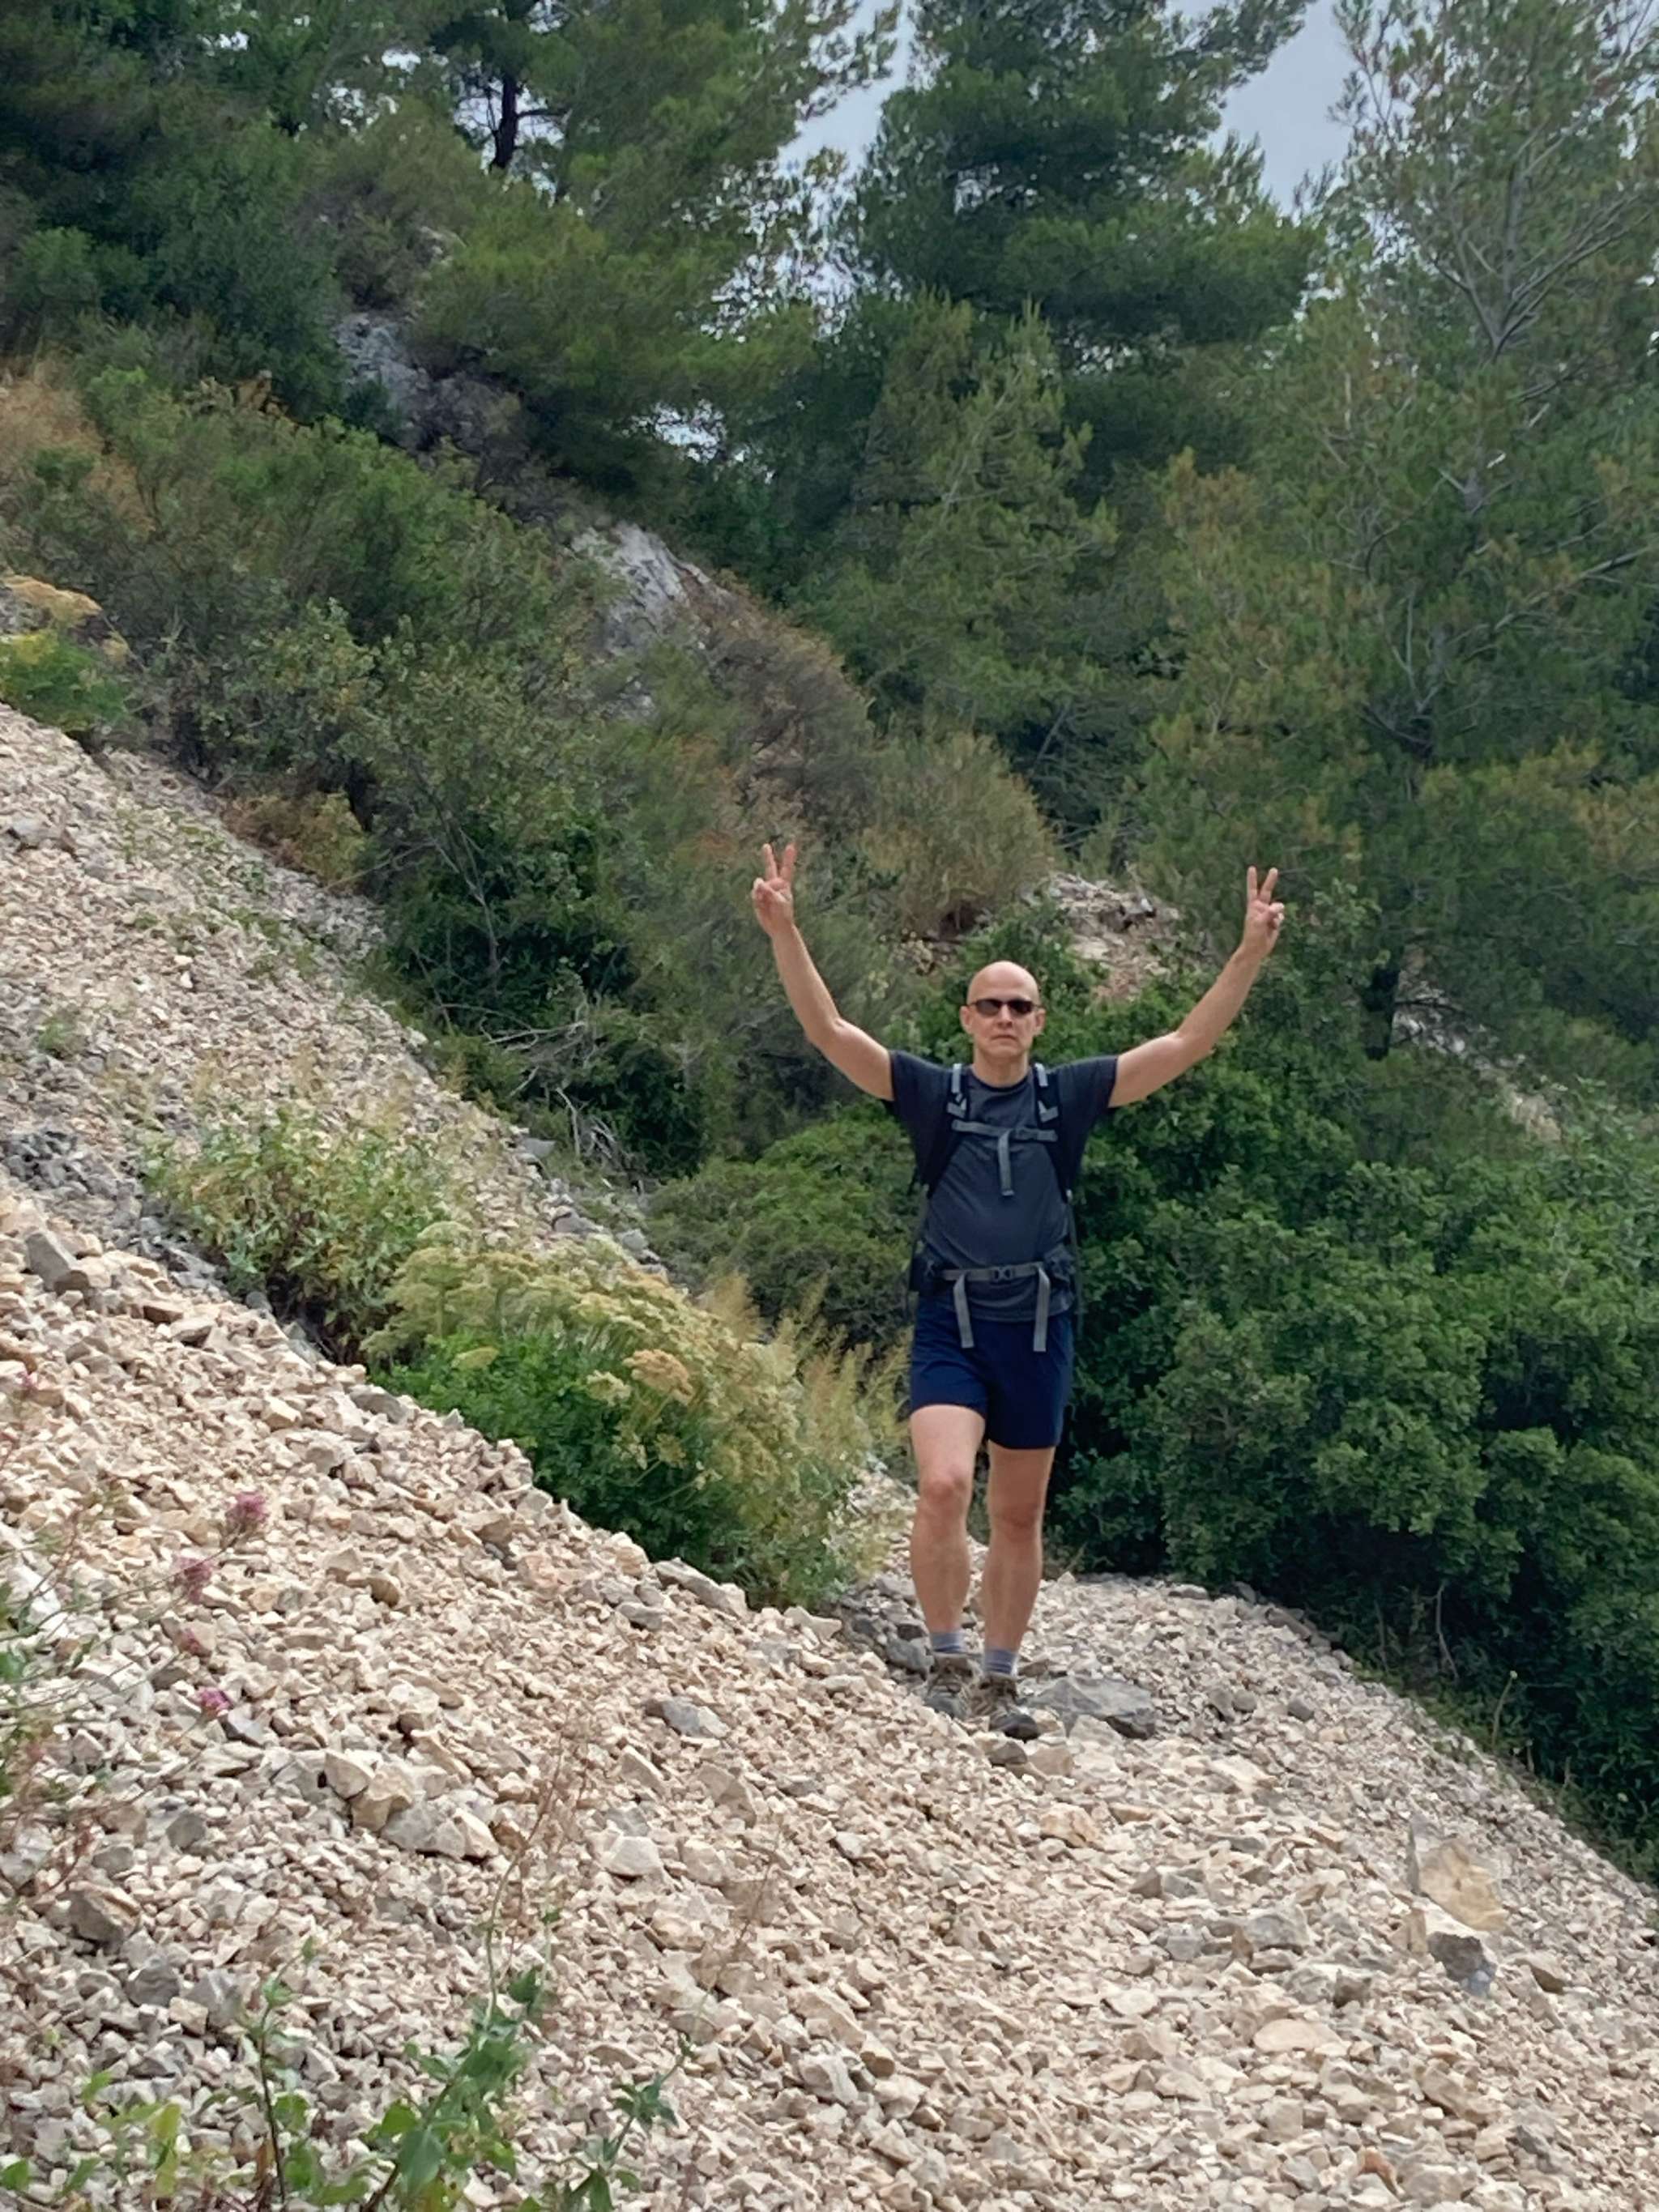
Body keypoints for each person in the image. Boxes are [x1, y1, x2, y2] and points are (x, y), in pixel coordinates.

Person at [752, 842, 1286, 1721]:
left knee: (1016, 1512)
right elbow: (831, 1033)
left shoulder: (1065, 1098)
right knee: (942, 1485)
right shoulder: (934, 1094)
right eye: (991, 1004)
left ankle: (999, 1674)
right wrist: (785, 932)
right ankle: (944, 1657)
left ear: (1040, 1021)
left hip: (1038, 1327)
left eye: (1020, 1005)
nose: (1004, 1016)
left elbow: (1187, 1043)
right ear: (966, 1018)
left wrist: (1248, 952)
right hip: (951, 1320)